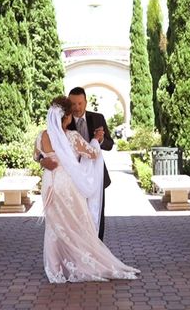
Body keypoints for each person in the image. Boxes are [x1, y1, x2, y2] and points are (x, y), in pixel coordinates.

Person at [35, 96, 140, 283]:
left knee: (53, 227)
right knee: (77, 225)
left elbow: (37, 156)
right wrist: (95, 140)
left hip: (50, 185)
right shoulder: (72, 137)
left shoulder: (42, 136)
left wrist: (44, 161)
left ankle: (56, 269)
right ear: (66, 117)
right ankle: (78, 263)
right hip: (68, 186)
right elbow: (92, 154)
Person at [39, 86, 114, 241]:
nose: (77, 107)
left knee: (96, 215)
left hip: (95, 179)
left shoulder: (98, 118)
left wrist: (99, 140)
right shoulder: (64, 123)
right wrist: (42, 161)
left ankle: (96, 249)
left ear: (86, 102)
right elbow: (42, 153)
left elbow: (109, 144)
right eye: (73, 104)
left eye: (80, 103)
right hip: (71, 181)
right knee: (73, 220)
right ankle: (77, 252)